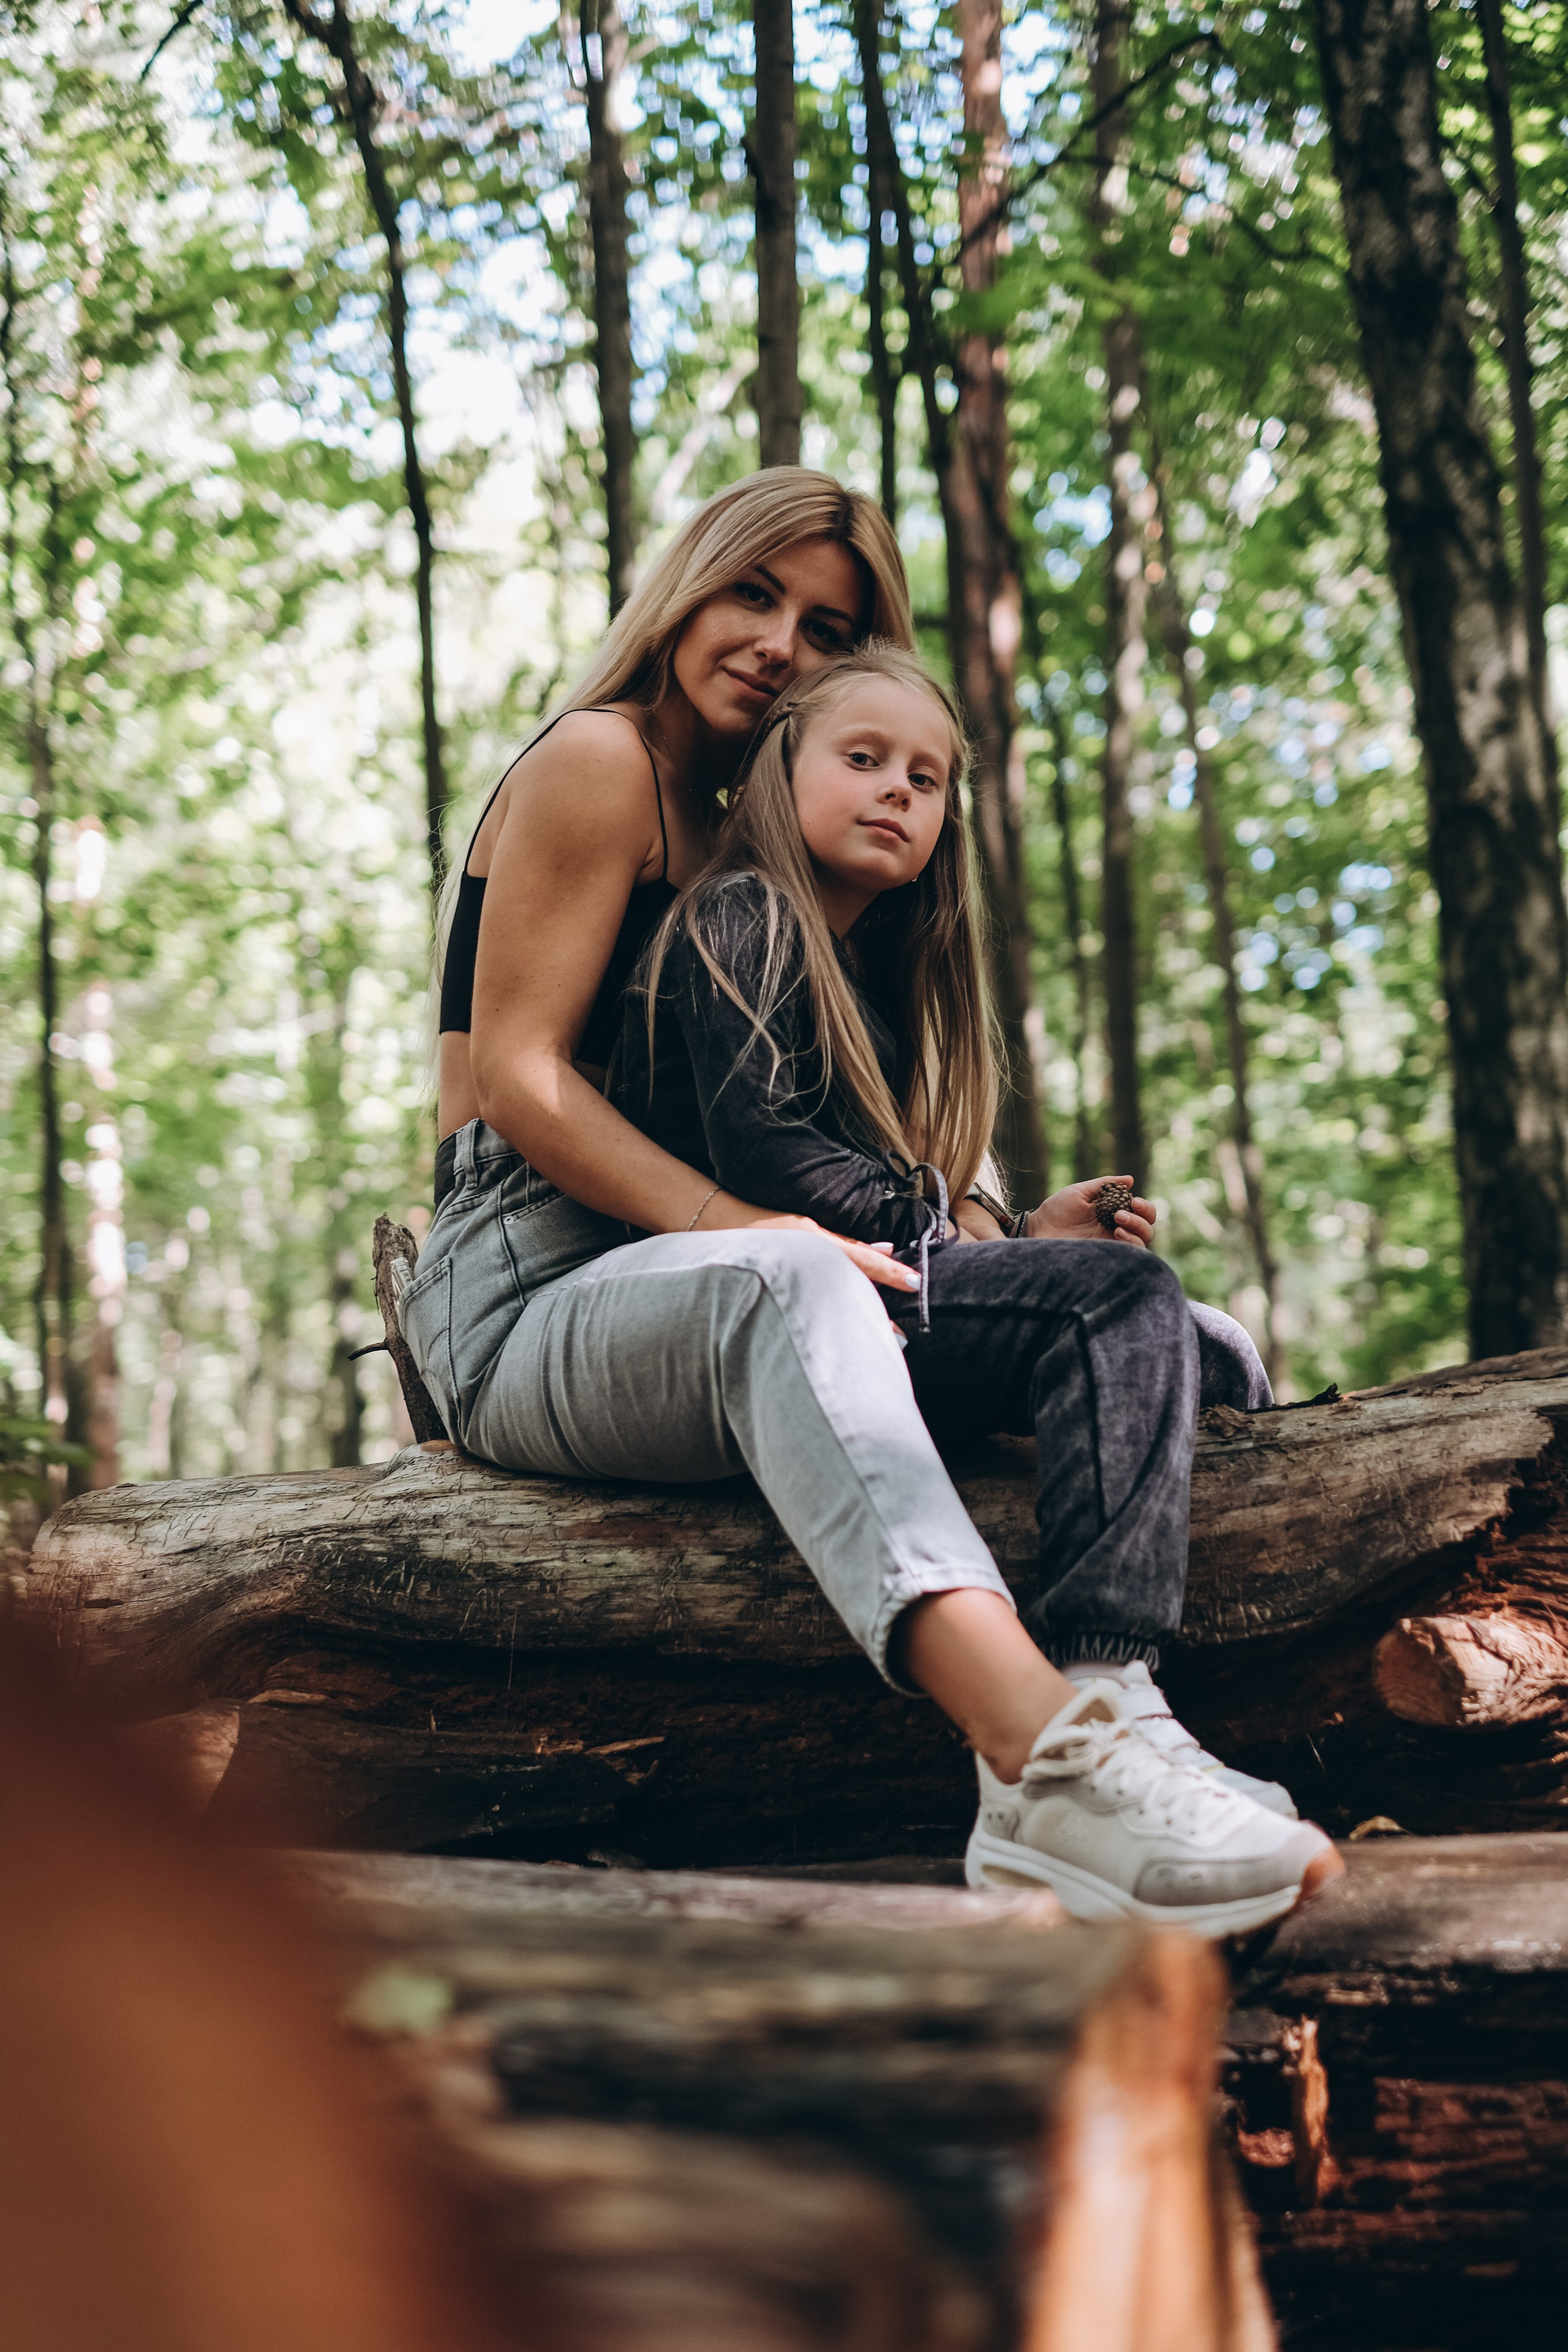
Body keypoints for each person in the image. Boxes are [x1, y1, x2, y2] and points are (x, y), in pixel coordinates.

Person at [404, 472, 1336, 1934]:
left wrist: (993, 1248)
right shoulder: (602, 759)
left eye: (823, 623)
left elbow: (831, 1139)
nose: (780, 641)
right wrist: (755, 1234)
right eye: (751, 595)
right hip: (521, 1293)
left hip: (687, 1277)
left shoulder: (767, 842)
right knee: (796, 1285)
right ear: (686, 590)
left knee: (1155, 1327)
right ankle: (1045, 1767)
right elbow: (521, 1082)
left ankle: (1144, 1721)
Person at [603, 643, 1341, 1932]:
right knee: (1121, 1307)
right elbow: (766, 1158)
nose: (898, 791)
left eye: (928, 778)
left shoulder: (881, 975)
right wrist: (979, 1255)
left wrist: (1024, 1231)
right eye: (863, 759)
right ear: (780, 772)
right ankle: (1095, 1697)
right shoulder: (741, 916)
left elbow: (903, 1185)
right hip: (798, 1326)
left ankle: (1178, 1717)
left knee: (1207, 1349)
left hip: (900, 1293)